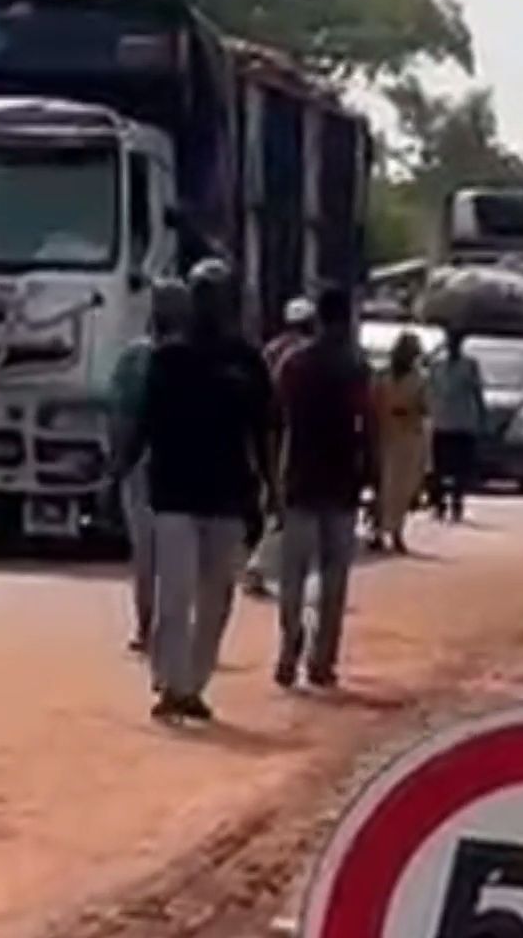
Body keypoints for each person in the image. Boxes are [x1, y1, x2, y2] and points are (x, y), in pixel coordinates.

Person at [116, 259, 273, 723]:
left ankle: (193, 684)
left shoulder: (246, 362)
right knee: (175, 596)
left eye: (216, 295)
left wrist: (270, 489)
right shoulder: (168, 358)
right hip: (173, 494)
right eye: (201, 294)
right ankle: (169, 684)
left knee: (217, 599)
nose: (209, 304)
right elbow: (143, 423)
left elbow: (262, 431)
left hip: (227, 495)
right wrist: (119, 472)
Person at [272, 286, 374, 689]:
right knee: (334, 579)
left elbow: (275, 421)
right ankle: (321, 659)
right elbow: (369, 426)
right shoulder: (356, 366)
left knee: (292, 576)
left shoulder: (293, 364)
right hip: (342, 481)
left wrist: (272, 475)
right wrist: (373, 474)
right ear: (346, 318)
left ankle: (288, 646)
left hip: (299, 477)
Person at [109, 280, 190, 652]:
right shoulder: (192, 355)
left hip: (141, 463)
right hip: (179, 464)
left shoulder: (133, 358)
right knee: (176, 553)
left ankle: (146, 627)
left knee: (145, 551)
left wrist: (119, 461)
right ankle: (167, 628)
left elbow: (121, 414)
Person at [243, 297, 318, 597]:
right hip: (289, 431)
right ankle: (258, 566)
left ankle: (259, 565)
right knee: (284, 504)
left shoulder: (270, 350)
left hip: (265, 430)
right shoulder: (302, 354)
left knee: (270, 497)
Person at [371, 332, 430, 554]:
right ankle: (378, 531)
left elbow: (425, 407)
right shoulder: (383, 375)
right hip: (385, 434)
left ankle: (396, 531)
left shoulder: (418, 378)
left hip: (407, 437)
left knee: (403, 489)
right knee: (383, 486)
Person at [426, 330, 485, 523]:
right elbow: (429, 391)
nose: (452, 346)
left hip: (462, 423)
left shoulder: (470, 366)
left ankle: (456, 505)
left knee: (460, 470)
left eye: (456, 342)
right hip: (441, 423)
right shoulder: (437, 365)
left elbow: (477, 393)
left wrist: (481, 417)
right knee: (439, 468)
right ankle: (438, 504)